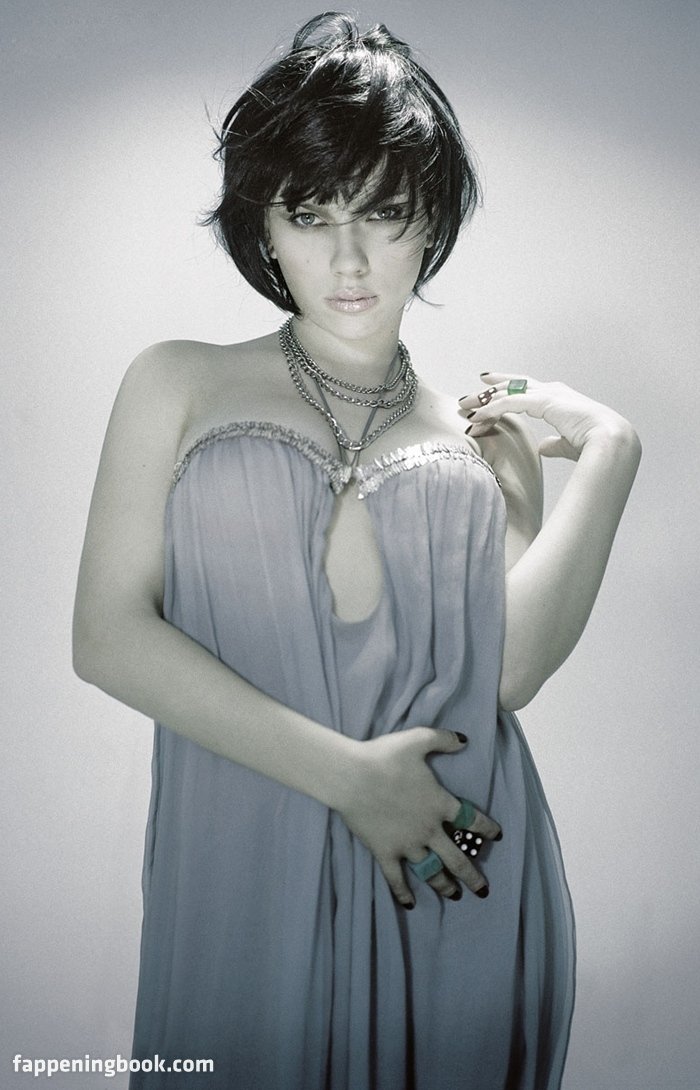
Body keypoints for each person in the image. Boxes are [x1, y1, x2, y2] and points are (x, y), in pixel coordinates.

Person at [73, 12, 641, 1090]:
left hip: (452, 872)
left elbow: (509, 674)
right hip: (241, 869)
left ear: (430, 218)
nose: (346, 258)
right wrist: (351, 781)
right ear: (263, 224)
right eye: (309, 213)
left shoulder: (483, 441)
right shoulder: (176, 382)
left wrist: (613, 451)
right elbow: (106, 637)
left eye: (382, 212)